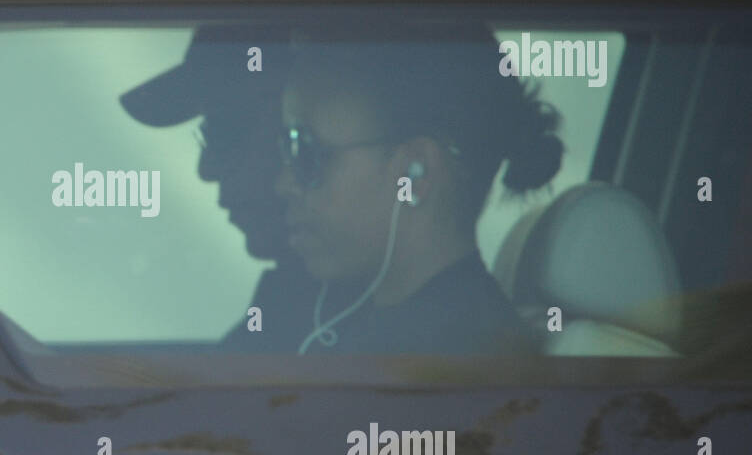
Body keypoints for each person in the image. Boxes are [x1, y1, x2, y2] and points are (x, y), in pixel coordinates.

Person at [277, 23, 564, 355]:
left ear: (416, 173)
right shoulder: (432, 338)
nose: (283, 184)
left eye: (306, 152)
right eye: (286, 147)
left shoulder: (453, 367)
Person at [120, 23, 317, 350]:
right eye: (209, 136)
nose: (206, 170)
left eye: (225, 131)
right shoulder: (294, 301)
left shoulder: (355, 322)